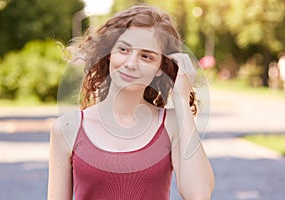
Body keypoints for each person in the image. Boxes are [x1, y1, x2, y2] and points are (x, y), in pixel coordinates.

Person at [48, 5, 214, 200]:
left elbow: (199, 195)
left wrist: (181, 100)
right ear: (109, 52)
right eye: (124, 49)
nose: (131, 63)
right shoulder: (67, 128)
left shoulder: (172, 123)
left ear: (160, 68)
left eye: (146, 56)